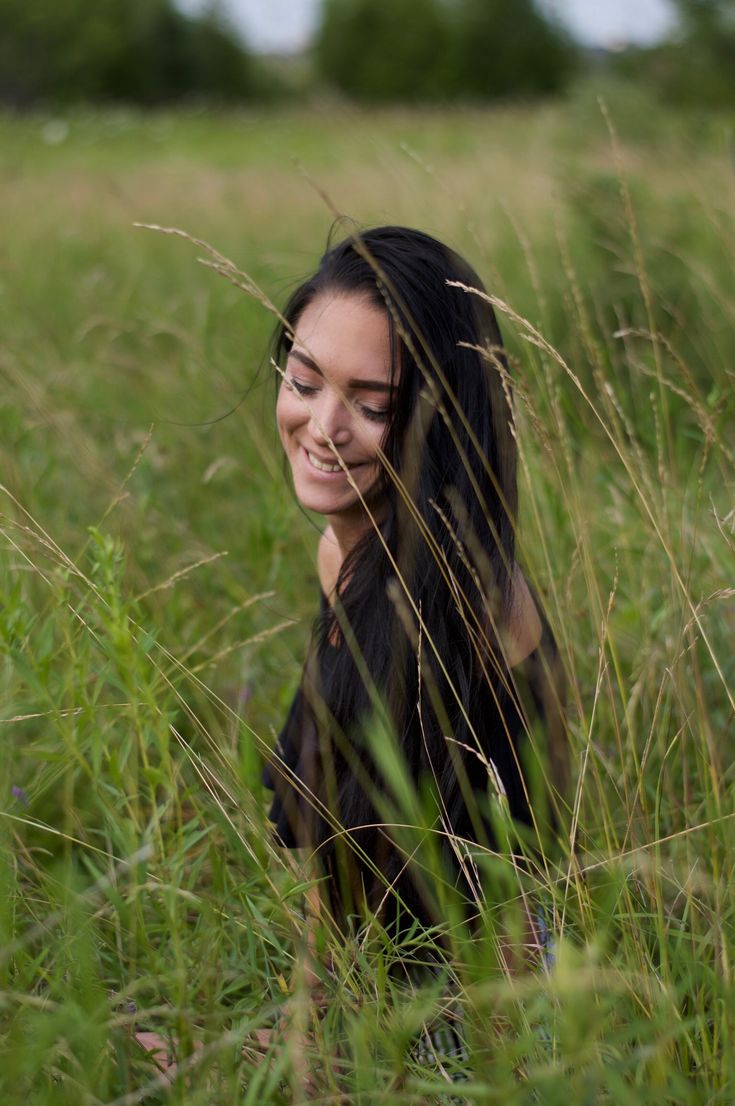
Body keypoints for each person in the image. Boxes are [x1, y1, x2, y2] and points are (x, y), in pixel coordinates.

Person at [264, 224, 567, 964]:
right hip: (384, 986)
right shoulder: (345, 554)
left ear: (439, 425)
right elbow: (335, 854)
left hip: (490, 1014)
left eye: (370, 406)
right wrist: (297, 1031)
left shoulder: (470, 606)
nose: (322, 427)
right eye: (304, 383)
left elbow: (506, 900)